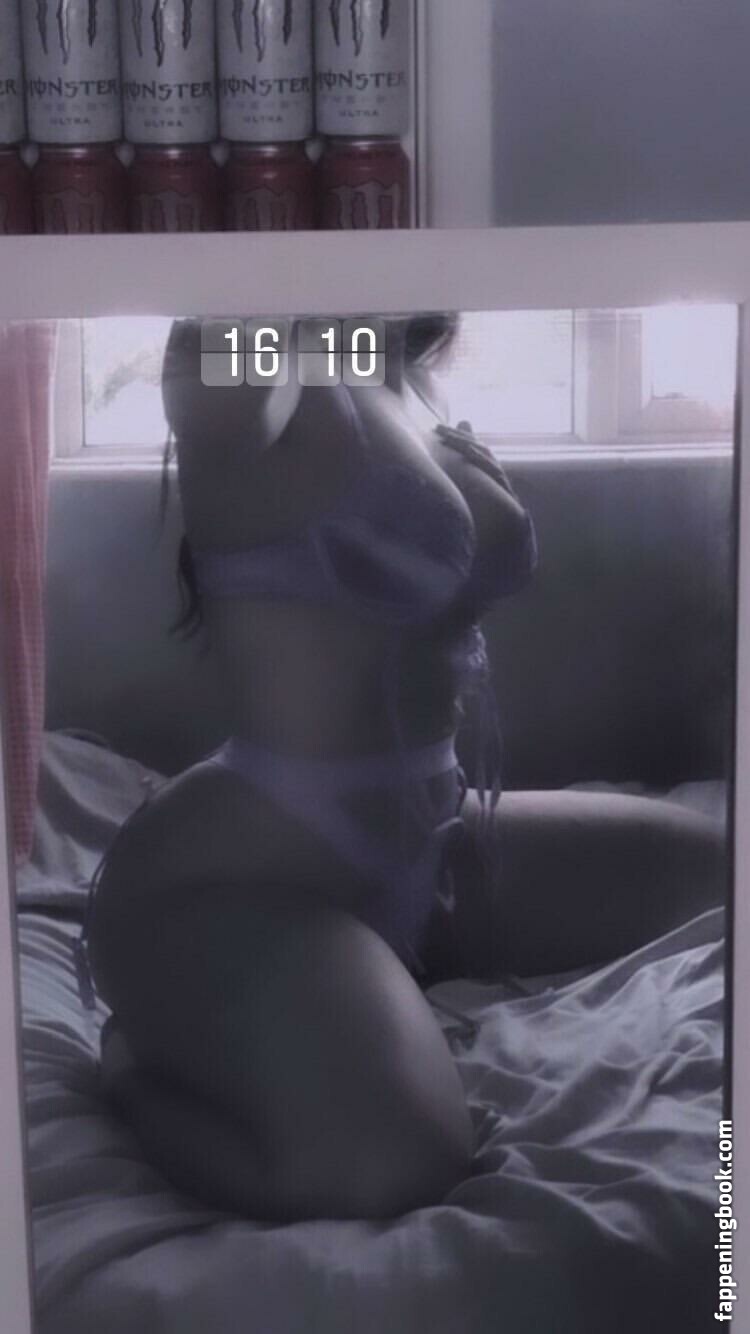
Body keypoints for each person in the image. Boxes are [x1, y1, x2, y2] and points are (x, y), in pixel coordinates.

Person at [85, 314, 724, 1222]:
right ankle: (132, 1073)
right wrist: (314, 293)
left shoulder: (389, 371)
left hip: (434, 838)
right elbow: (229, 344)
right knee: (398, 1166)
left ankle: (374, 977)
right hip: (247, 879)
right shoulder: (253, 376)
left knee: (716, 873)